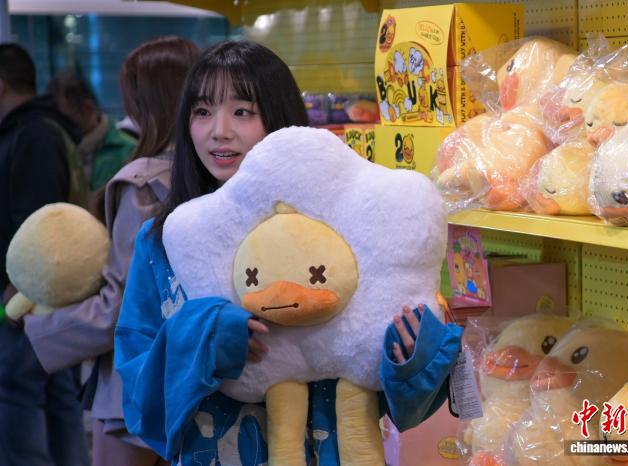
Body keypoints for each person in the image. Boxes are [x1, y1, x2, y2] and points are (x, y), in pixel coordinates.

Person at [114, 40, 463, 466]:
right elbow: (140, 399)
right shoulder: (164, 241)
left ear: (280, 118)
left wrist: (410, 359)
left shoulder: (348, 231)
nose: (219, 130)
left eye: (243, 111)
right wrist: (206, 337)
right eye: (202, 111)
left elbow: (399, 403)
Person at [22, 36, 200, 466]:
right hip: (196, 376)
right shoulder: (210, 174)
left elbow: (121, 307)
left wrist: (38, 331)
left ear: (142, 100)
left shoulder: (144, 185)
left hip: (134, 383)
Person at [0, 42, 90, 466]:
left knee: (19, 393)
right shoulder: (42, 130)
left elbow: (39, 224)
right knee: (57, 396)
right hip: (42, 294)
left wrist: (19, 289)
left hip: (28, 294)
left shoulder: (32, 135)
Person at [46, 71, 136, 202]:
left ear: (88, 108)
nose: (62, 127)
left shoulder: (128, 150)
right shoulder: (57, 150)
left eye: (66, 120)